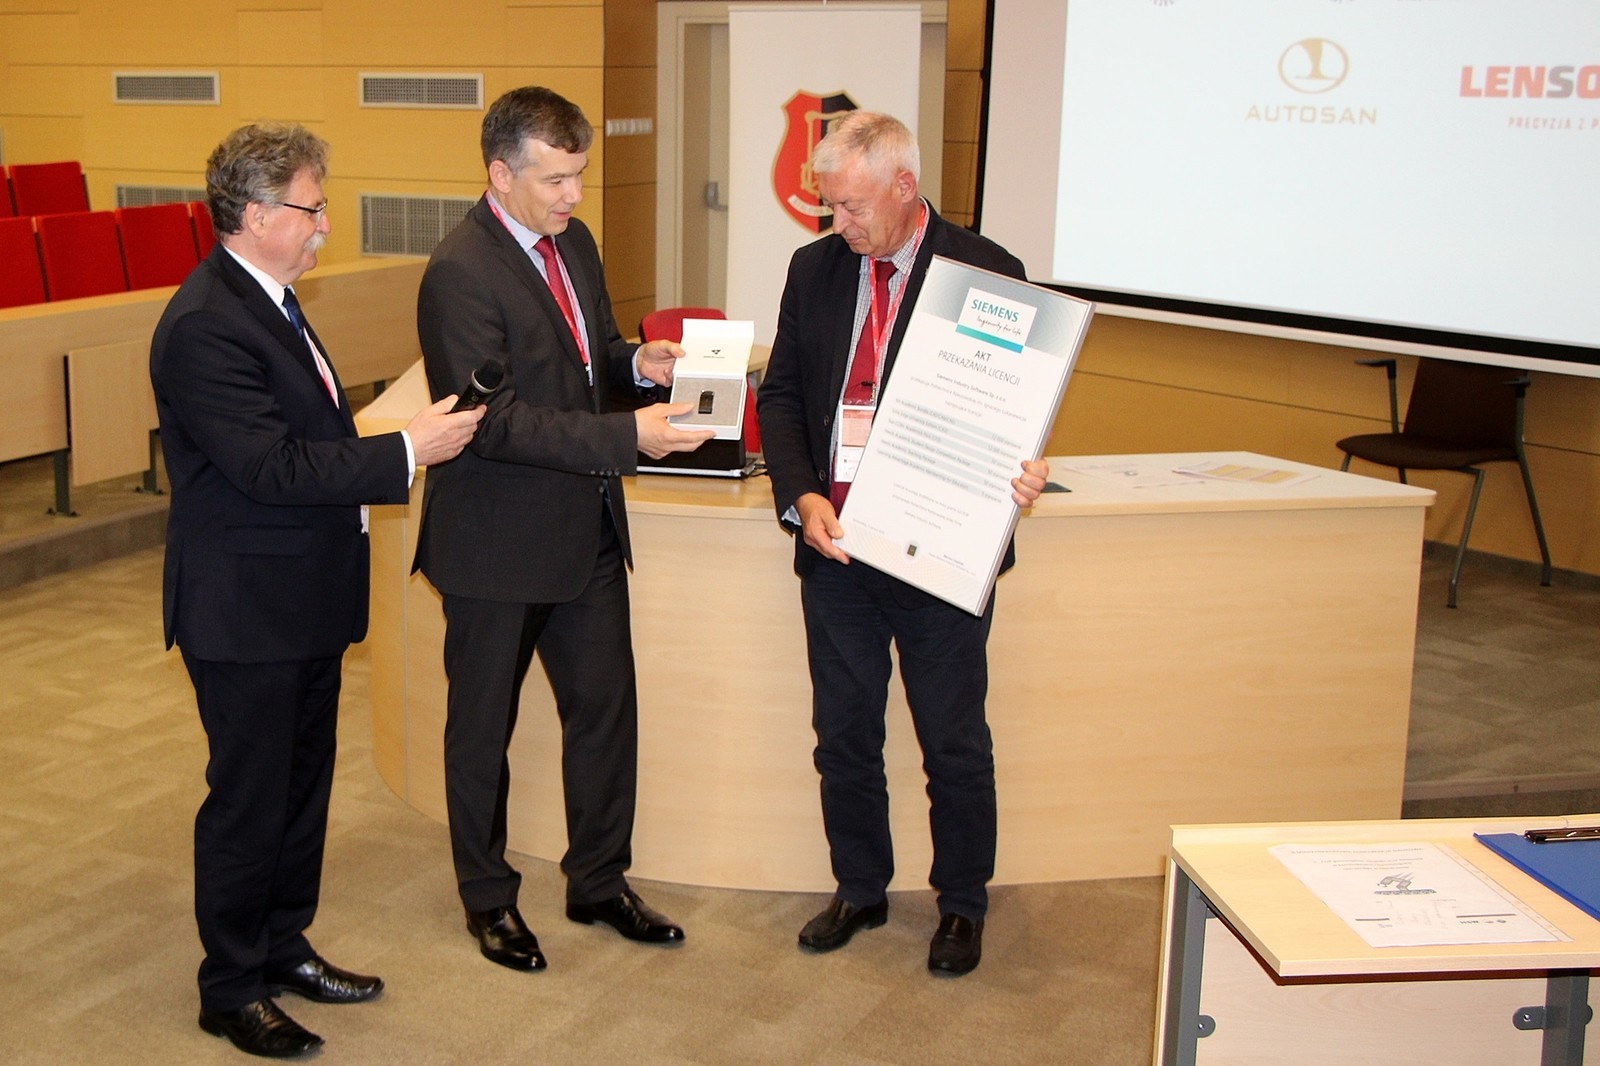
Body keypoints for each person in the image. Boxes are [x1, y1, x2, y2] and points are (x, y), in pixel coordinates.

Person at [152, 123, 484, 1058]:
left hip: (298, 600)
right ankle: (230, 988)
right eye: (313, 207)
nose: (326, 225)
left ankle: (283, 946)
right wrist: (407, 449)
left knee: (300, 791)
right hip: (244, 610)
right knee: (249, 800)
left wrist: (397, 446)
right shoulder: (206, 322)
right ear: (258, 215)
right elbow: (269, 467)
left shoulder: (271, 301)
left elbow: (306, 440)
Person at [412, 85, 712, 972]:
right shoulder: (459, 272)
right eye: (556, 180)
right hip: (496, 545)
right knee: (482, 732)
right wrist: (629, 436)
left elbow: (587, 360)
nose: (574, 196)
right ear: (500, 174)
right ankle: (488, 899)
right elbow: (494, 423)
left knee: (606, 715)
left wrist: (636, 362)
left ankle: (599, 882)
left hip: (585, 531)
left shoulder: (571, 242)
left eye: (579, 175)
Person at [755, 111, 1049, 978]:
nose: (837, 223)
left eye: (851, 206)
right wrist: (801, 492)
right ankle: (860, 887)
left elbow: (1014, 411)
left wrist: (1026, 467)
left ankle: (961, 904)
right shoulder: (813, 270)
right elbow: (780, 396)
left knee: (952, 740)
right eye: (830, 206)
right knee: (843, 735)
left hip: (941, 552)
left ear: (904, 187)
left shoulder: (986, 272)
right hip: (840, 546)